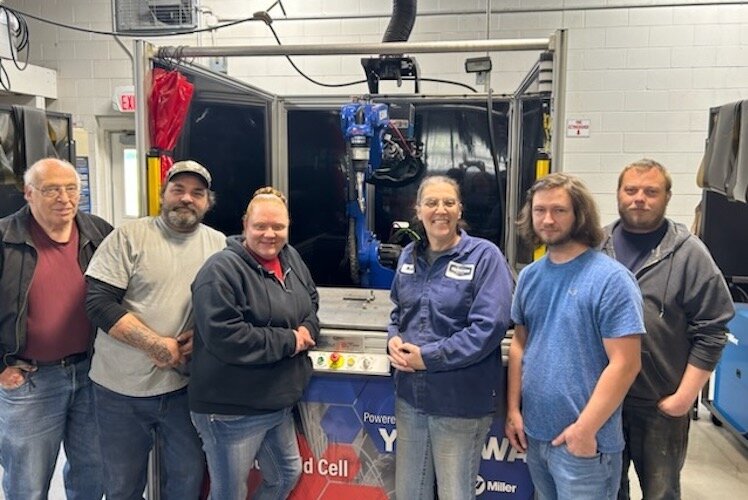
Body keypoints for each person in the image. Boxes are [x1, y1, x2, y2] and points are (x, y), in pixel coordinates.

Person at [84, 160, 225, 500]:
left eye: (197, 193)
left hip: (183, 390)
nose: (187, 199)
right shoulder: (129, 237)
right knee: (122, 486)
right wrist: (155, 345)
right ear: (163, 195)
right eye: (178, 190)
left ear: (208, 201)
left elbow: (226, 308)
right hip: (120, 391)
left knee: (187, 480)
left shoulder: (219, 245)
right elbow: (98, 303)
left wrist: (201, 338)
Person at [601, 159, 735, 500]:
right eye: (631, 190)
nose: (639, 199)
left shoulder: (690, 254)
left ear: (667, 197)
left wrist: (685, 397)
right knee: (605, 490)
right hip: (602, 401)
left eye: (651, 191)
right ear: (619, 193)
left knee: (661, 493)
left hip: (660, 404)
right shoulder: (598, 248)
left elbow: (713, 329)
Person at [506, 172, 644, 500]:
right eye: (540, 210)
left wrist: (585, 430)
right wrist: (513, 410)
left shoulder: (611, 279)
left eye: (559, 210)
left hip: (585, 445)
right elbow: (520, 343)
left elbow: (626, 364)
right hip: (536, 437)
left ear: (579, 215)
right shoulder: (529, 277)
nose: (548, 219)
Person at [387, 175, 514, 500]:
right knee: (409, 494)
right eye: (431, 203)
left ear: (460, 210)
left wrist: (427, 357)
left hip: (459, 403)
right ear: (418, 210)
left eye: (448, 203)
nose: (439, 210)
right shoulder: (408, 257)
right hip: (411, 399)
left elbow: (489, 328)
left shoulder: (485, 258)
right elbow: (397, 313)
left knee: (455, 494)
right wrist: (393, 339)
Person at [189, 187, 319, 500]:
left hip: (275, 401)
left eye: (278, 226)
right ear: (245, 224)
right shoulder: (220, 271)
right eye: (261, 226)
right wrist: (290, 340)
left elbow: (311, 302)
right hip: (231, 410)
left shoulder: (290, 258)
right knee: (229, 494)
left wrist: (307, 328)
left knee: (286, 474)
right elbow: (228, 337)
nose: (269, 234)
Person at [0, 158, 111, 500]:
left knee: (92, 473)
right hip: (31, 380)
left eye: (71, 188)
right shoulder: (4, 239)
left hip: (93, 375)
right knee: (27, 483)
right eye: (51, 190)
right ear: (28, 193)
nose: (64, 198)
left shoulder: (99, 233)